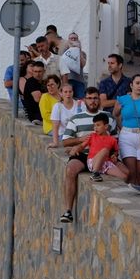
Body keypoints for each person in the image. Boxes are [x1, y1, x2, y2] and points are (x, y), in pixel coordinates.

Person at [57, 90, 107, 224]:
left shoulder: (108, 117)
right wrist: (80, 140)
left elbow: (115, 138)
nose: (93, 101)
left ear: (99, 100)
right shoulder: (76, 118)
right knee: (70, 170)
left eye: (95, 98)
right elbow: (65, 141)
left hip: (102, 155)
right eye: (89, 98)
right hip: (83, 154)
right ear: (84, 100)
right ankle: (68, 210)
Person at [81, 114, 127, 182]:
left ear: (106, 126)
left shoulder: (112, 139)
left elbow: (116, 151)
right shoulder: (92, 136)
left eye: (98, 125)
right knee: (105, 150)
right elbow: (82, 146)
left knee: (124, 176)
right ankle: (95, 174)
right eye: (94, 125)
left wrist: (114, 155)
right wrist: (75, 149)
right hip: (94, 162)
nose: (95, 128)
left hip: (106, 163)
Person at [20, 59, 47, 123]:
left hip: (43, 113)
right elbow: (38, 99)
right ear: (32, 72)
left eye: (40, 71)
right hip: (35, 116)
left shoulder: (43, 82)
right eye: (35, 71)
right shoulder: (31, 82)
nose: (37, 74)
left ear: (44, 71)